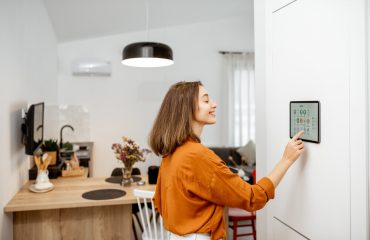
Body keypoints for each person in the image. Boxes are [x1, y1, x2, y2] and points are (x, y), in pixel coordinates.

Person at [149, 81, 305, 240]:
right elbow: (252, 197)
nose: (214, 104)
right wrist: (286, 159)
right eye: (206, 100)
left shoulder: (171, 153)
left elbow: (158, 202)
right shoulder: (197, 155)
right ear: (187, 109)